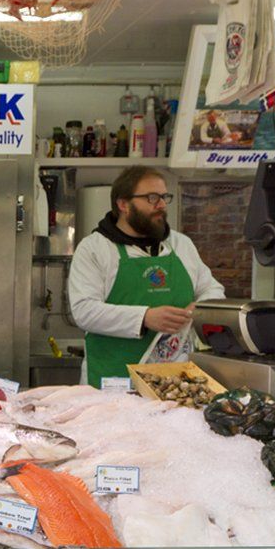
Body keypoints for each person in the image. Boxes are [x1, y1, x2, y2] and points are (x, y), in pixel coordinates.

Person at [67, 166, 225, 387]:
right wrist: (145, 318)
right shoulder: (95, 249)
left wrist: (196, 309)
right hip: (113, 383)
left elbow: (214, 290)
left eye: (163, 197)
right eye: (151, 198)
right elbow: (84, 311)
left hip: (174, 382)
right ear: (123, 205)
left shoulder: (181, 244)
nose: (161, 205)